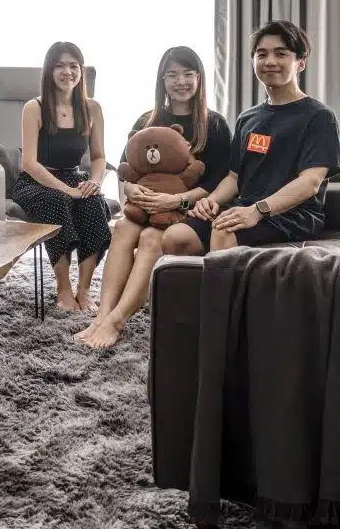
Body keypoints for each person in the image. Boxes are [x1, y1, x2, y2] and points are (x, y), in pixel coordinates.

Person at [77, 46, 231, 349]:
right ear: (162, 80)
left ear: (199, 78)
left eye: (187, 74)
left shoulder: (214, 124)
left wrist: (176, 201)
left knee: (150, 237)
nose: (180, 81)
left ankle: (117, 321)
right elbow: (126, 169)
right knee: (122, 228)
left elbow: (216, 181)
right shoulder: (147, 120)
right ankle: (102, 316)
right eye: (172, 75)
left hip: (187, 209)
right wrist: (130, 190)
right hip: (146, 206)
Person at [162, 20, 340, 257]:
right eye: (261, 54)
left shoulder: (319, 116)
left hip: (293, 216)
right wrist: (211, 201)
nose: (270, 61)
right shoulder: (248, 118)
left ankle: (222, 282)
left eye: (281, 54)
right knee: (176, 237)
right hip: (245, 207)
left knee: (223, 232)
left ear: (300, 63)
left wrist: (258, 210)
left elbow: (310, 182)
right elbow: (234, 177)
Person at [12, 42, 112, 311]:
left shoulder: (92, 108)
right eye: (60, 66)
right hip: (36, 182)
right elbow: (29, 163)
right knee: (58, 201)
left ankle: (84, 290)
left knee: (93, 203)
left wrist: (94, 182)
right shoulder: (34, 108)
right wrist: (66, 190)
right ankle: (63, 289)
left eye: (73, 66)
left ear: (81, 70)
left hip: (74, 178)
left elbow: (99, 157)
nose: (67, 72)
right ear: (49, 71)